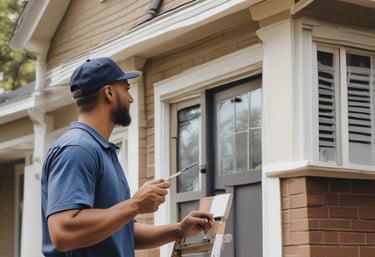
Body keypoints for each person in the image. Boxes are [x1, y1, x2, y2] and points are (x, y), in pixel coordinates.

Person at [41, 57, 213, 257]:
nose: (131, 98)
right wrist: (136, 204)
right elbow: (63, 232)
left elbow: (119, 230)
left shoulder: (101, 151)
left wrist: (178, 230)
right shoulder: (77, 149)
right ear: (109, 93)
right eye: (127, 89)